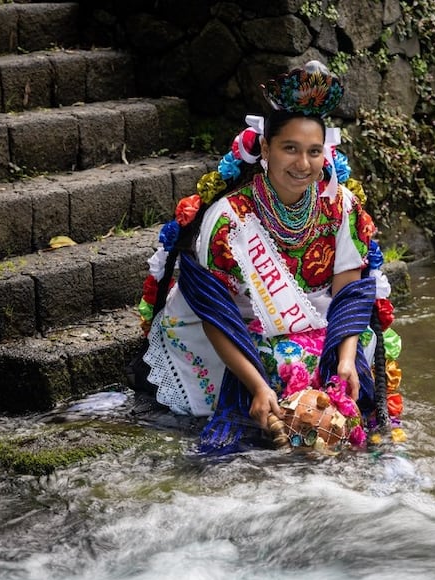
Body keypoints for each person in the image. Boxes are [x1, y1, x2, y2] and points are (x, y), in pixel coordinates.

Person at [136, 61, 404, 454]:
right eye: (289, 149)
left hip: (319, 323)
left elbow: (349, 295)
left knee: (355, 352)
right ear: (265, 149)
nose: (303, 164)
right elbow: (215, 313)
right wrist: (258, 387)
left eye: (314, 151)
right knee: (282, 363)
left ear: (325, 154)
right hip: (239, 329)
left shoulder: (341, 205)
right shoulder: (228, 218)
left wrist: (345, 361)